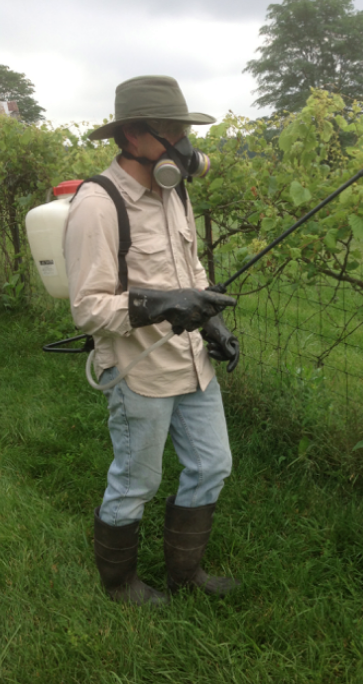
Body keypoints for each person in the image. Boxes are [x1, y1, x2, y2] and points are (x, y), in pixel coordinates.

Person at [63, 75, 240, 606]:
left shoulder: (174, 190)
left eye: (183, 131)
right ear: (132, 136)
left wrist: (211, 323)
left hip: (191, 363)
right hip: (138, 367)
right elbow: (88, 308)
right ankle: (120, 585)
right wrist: (160, 305)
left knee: (212, 465)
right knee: (136, 480)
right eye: (170, 131)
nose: (184, 145)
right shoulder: (99, 203)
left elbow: (192, 268)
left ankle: (186, 573)